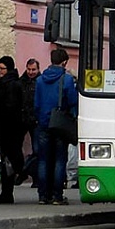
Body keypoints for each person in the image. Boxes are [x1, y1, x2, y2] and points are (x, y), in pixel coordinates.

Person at [34, 48, 78, 205]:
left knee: (43, 160)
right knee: (60, 159)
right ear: (64, 61)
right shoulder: (65, 80)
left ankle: (42, 195)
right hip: (59, 123)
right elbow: (73, 101)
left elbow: (36, 104)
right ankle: (57, 195)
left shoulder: (40, 80)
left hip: (43, 123)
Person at [0, 56, 25, 204]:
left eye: (2, 68)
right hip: (3, 128)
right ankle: (6, 191)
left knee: (9, 160)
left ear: (8, 68)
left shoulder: (12, 84)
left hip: (10, 128)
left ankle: (8, 191)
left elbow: (10, 108)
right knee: (5, 160)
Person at [15, 58, 40, 186]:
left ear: (38, 69)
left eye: (33, 70)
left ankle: (29, 173)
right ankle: (22, 171)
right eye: (29, 69)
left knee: (37, 150)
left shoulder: (40, 82)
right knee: (17, 148)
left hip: (35, 119)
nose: (31, 72)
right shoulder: (21, 82)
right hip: (22, 118)